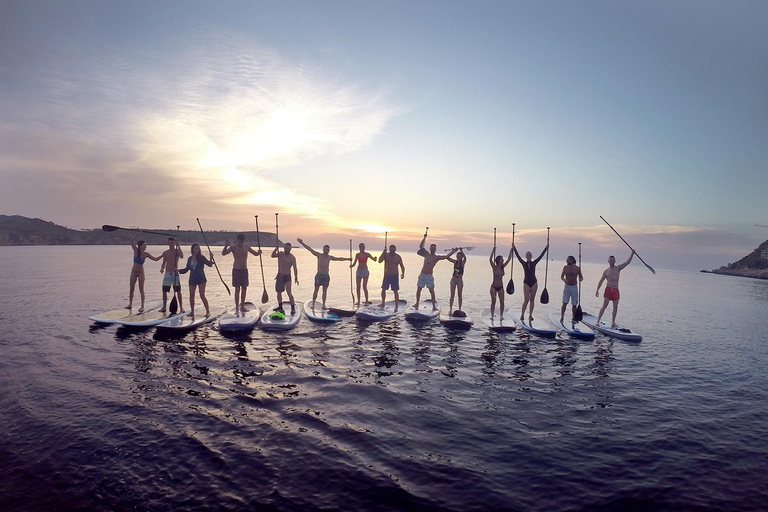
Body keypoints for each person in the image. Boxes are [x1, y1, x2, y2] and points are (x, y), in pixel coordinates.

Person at [297, 238, 352, 308]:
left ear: (329, 250)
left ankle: (323, 304)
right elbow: (310, 249)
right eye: (325, 249)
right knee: (316, 290)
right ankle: (313, 304)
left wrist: (348, 259)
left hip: (326, 276)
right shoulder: (319, 255)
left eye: (328, 249)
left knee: (325, 291)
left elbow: (339, 258)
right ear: (323, 250)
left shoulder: (329, 257)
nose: (326, 251)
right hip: (319, 275)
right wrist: (302, 243)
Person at [414, 233, 457, 310]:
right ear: (430, 249)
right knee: (418, 290)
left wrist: (453, 251)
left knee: (432, 291)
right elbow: (421, 246)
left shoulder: (437, 257)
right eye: (432, 248)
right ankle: (417, 303)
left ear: (435, 249)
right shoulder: (426, 254)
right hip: (423, 274)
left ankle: (434, 306)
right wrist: (424, 238)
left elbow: (446, 257)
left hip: (429, 276)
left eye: (434, 248)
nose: (433, 249)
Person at [222, 234, 262, 312]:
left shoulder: (246, 247)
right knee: (237, 289)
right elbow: (224, 253)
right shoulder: (233, 247)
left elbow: (255, 254)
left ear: (244, 241)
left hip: (244, 270)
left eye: (242, 241)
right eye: (240, 241)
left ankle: (242, 306)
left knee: (244, 288)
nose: (241, 243)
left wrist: (259, 252)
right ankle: (237, 307)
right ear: (237, 240)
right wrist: (226, 246)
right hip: (236, 270)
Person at [595, 251, 635, 328]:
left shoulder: (618, 268)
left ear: (615, 261)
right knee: (604, 305)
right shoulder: (606, 271)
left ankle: (613, 322)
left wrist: (632, 254)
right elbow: (601, 281)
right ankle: (598, 321)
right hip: (608, 289)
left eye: (613, 260)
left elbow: (627, 262)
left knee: (615, 307)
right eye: (610, 260)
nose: (611, 261)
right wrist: (597, 290)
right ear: (608, 261)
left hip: (616, 290)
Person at [126, 231, 161, 313]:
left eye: (146, 245)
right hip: (133, 272)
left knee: (141, 289)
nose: (145, 247)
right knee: (131, 288)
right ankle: (130, 304)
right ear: (140, 246)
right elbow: (131, 240)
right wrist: (138, 233)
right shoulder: (135, 250)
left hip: (141, 273)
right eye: (144, 245)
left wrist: (163, 255)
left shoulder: (146, 254)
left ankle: (142, 306)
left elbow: (155, 259)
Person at [514, 242, 548, 322]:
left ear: (531, 256)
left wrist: (546, 249)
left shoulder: (534, 263)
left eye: (530, 255)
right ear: (526, 256)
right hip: (526, 282)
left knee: (532, 299)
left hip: (534, 282)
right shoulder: (523, 263)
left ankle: (530, 315)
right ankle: (522, 314)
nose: (529, 256)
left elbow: (541, 256)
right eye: (527, 255)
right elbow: (518, 256)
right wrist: (514, 248)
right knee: (526, 300)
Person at [178, 243, 214, 317]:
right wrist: (179, 271)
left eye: (198, 248)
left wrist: (211, 257)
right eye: (195, 248)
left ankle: (208, 311)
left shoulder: (201, 257)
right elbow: (186, 269)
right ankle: (192, 311)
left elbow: (209, 264)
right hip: (192, 279)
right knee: (191, 295)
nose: (197, 250)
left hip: (201, 278)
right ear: (192, 249)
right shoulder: (189, 259)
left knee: (202, 295)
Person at [271, 242, 298, 314]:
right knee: (278, 292)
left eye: (288, 248)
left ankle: (293, 308)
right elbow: (272, 255)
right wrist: (275, 249)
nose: (287, 249)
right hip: (280, 275)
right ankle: (280, 307)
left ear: (290, 249)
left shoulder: (292, 258)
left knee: (289, 293)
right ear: (284, 248)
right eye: (286, 248)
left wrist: (296, 277)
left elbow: (295, 268)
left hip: (287, 276)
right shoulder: (280, 254)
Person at [159, 236, 184, 313]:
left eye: (172, 243)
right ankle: (164, 307)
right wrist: (162, 268)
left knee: (178, 291)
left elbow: (182, 256)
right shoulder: (165, 253)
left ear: (174, 243)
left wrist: (178, 245)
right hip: (167, 273)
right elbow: (164, 263)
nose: (171, 244)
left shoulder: (177, 251)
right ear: (168, 243)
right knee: (164, 290)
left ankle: (181, 308)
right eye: (170, 243)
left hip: (175, 273)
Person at [489, 245, 514, 319]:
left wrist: (511, 251)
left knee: (502, 302)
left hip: (500, 287)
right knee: (493, 301)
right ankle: (492, 315)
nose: (503, 260)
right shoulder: (494, 267)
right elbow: (490, 260)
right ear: (498, 260)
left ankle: (501, 316)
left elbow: (509, 259)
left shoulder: (502, 267)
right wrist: (493, 251)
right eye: (502, 259)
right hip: (493, 286)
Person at [378, 244, 405, 311]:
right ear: (389, 250)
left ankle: (396, 306)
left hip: (394, 276)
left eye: (393, 250)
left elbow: (402, 266)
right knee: (383, 289)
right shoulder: (386, 255)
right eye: (390, 250)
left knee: (395, 291)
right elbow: (379, 261)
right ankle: (383, 303)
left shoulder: (398, 257)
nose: (392, 251)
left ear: (395, 250)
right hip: (387, 275)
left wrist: (403, 273)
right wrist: (383, 252)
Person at [560, 255, 583, 323]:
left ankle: (573, 318)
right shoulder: (565, 268)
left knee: (574, 304)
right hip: (567, 286)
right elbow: (561, 276)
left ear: (572, 260)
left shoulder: (577, 268)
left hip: (574, 287)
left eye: (568, 259)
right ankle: (562, 317)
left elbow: (581, 277)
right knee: (564, 303)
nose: (566, 261)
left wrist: (580, 279)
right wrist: (564, 280)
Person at [446, 249, 466, 315]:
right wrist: (453, 251)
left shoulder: (462, 263)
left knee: (459, 295)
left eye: (460, 256)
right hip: (453, 279)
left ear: (461, 257)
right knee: (452, 295)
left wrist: (461, 250)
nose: (458, 257)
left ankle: (460, 308)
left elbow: (465, 258)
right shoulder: (455, 262)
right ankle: (450, 309)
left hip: (459, 280)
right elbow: (447, 257)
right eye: (457, 256)